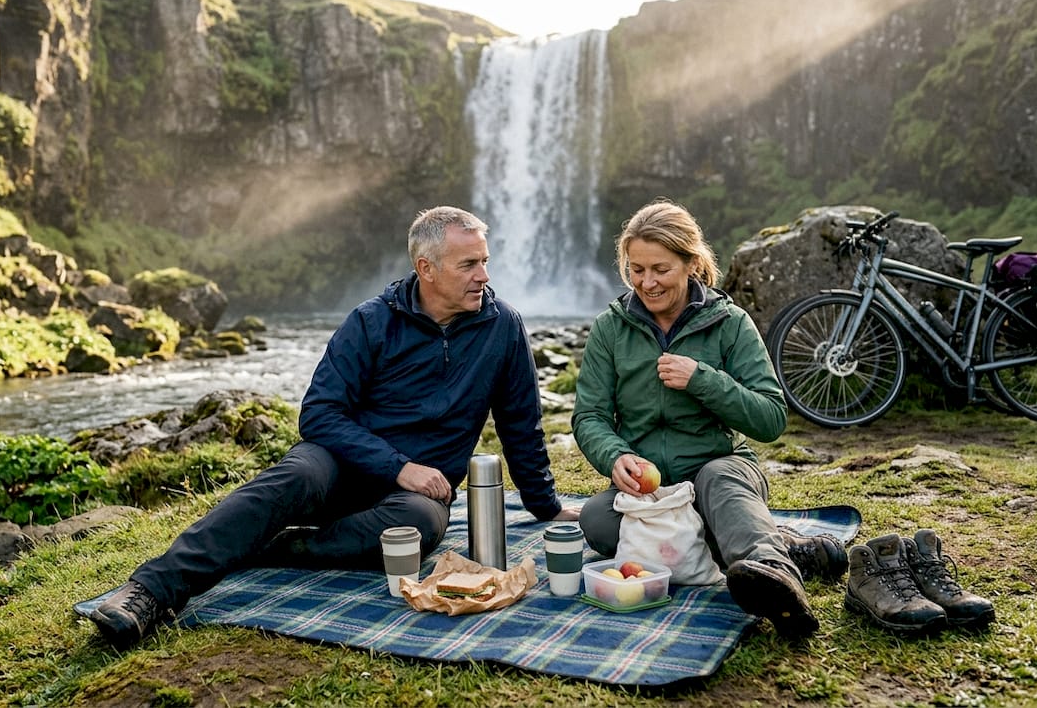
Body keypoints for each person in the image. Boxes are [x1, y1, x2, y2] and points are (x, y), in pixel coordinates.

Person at [87, 205, 580, 648]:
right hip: (336, 465)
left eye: (485, 261)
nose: (484, 276)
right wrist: (399, 465)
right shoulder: (370, 322)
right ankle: (148, 592)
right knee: (295, 475)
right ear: (425, 268)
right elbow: (319, 414)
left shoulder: (503, 327)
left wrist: (544, 504)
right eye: (469, 264)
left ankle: (275, 546)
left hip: (412, 497)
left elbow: (521, 423)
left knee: (424, 524)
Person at [571, 199, 845, 639]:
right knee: (598, 521)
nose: (647, 282)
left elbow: (771, 417)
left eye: (660, 268)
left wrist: (703, 379)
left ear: (691, 262)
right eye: (636, 269)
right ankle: (781, 545)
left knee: (720, 482)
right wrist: (615, 455)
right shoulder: (611, 327)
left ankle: (778, 576)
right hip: (652, 491)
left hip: (717, 469)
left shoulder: (730, 323)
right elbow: (590, 416)